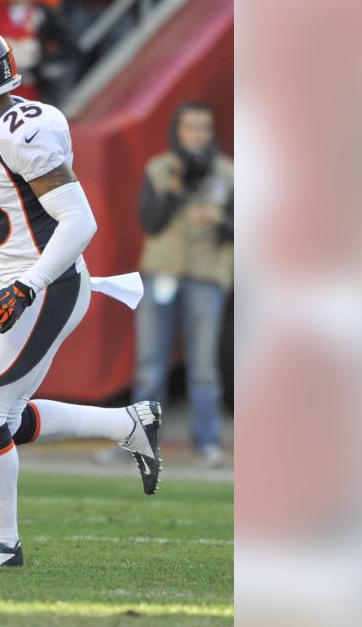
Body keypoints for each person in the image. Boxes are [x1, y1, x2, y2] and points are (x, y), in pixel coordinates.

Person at [0, 28, 161, 567]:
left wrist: (29, 284)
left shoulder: (22, 128)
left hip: (42, 286)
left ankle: (2, 542)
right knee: (0, 418)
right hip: (23, 286)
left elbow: (81, 220)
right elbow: (10, 198)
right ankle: (127, 425)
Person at [127, 101, 233, 467]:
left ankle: (206, 443)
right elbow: (149, 222)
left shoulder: (227, 173)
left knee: (203, 368)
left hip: (206, 275)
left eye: (203, 128)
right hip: (162, 271)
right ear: (178, 131)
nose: (197, 135)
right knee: (149, 364)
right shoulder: (159, 168)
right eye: (190, 128)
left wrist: (220, 220)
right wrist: (173, 187)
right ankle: (139, 443)